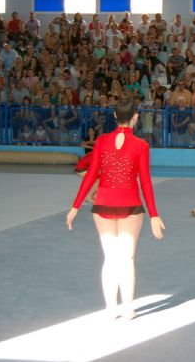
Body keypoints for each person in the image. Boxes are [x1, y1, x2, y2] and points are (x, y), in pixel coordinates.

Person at [65, 93, 166, 320]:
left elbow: (91, 175)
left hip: (103, 206)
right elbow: (145, 181)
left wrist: (75, 206)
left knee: (110, 259)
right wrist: (154, 215)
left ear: (114, 116)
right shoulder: (141, 145)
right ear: (136, 118)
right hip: (131, 206)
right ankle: (128, 307)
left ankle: (111, 308)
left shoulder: (101, 141)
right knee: (127, 258)